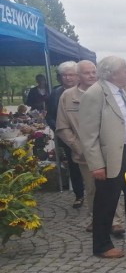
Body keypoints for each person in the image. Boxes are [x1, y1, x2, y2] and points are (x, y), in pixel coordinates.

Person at [78, 56, 126, 259]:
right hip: (111, 157)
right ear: (112, 73)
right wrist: (96, 164)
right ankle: (102, 245)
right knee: (107, 201)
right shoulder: (95, 93)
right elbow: (88, 134)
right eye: (124, 69)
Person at [57, 60, 125, 234]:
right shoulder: (67, 96)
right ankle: (97, 220)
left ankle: (115, 221)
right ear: (78, 75)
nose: (91, 75)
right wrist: (78, 147)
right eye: (87, 73)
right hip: (85, 154)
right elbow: (62, 127)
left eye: (94, 72)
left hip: (109, 151)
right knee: (92, 189)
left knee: (113, 186)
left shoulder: (107, 92)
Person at [47, 61, 85, 209]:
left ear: (77, 76)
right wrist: (60, 129)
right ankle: (79, 195)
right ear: (60, 77)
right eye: (65, 75)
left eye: (71, 75)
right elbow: (49, 115)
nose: (68, 78)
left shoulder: (87, 91)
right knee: (74, 165)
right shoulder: (56, 93)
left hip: (87, 135)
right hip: (68, 138)